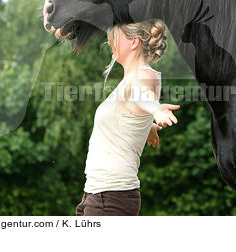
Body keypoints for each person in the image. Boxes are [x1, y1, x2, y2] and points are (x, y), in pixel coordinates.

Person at [75, 19, 180, 216]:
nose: (109, 44)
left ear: (134, 42)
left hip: (110, 198)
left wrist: (155, 110)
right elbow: (132, 109)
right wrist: (147, 125)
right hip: (99, 195)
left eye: (115, 38)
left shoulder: (142, 76)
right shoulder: (134, 78)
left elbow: (143, 96)